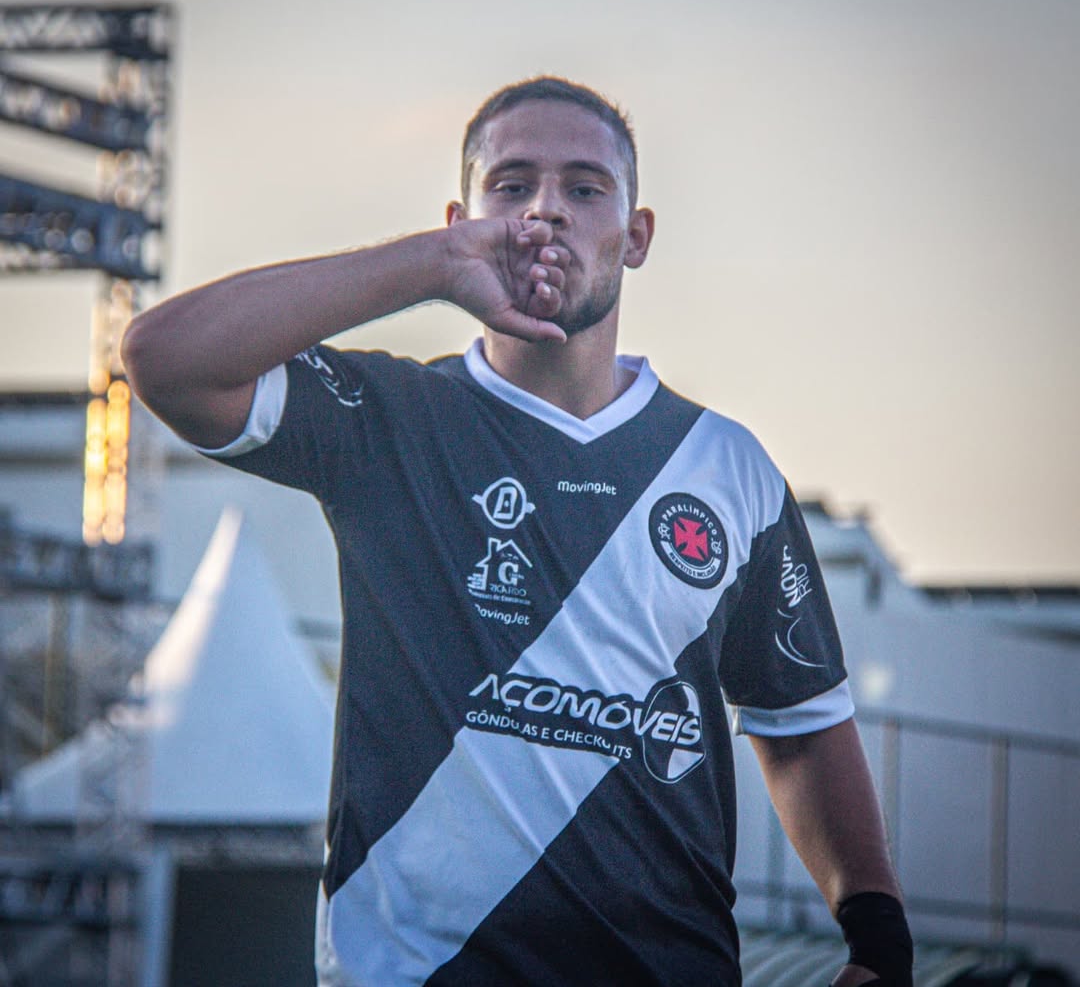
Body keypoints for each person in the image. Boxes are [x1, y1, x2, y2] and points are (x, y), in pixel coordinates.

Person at [123, 77, 913, 986]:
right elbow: (164, 359)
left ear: (636, 235)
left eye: (584, 187)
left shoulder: (725, 468)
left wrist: (878, 939)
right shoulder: (388, 418)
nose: (545, 211)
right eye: (511, 185)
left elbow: (802, 725)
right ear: (461, 220)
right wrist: (430, 266)